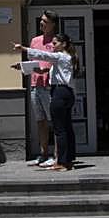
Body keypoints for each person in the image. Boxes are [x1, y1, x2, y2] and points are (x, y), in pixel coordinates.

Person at [13, 33, 77, 172]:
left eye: (55, 44)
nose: (52, 46)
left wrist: (23, 48)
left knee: (59, 129)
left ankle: (61, 162)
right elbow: (45, 69)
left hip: (59, 93)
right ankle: (68, 159)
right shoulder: (67, 58)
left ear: (63, 44)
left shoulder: (60, 56)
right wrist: (26, 68)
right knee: (66, 127)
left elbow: (42, 55)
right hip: (67, 93)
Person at [24, 11, 57, 167]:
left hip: (49, 86)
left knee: (54, 121)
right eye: (41, 20)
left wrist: (45, 70)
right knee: (40, 121)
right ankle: (43, 153)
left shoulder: (57, 42)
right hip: (34, 85)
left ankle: (57, 155)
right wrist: (23, 67)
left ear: (52, 24)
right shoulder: (35, 41)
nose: (41, 23)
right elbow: (31, 60)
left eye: (45, 21)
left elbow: (58, 62)